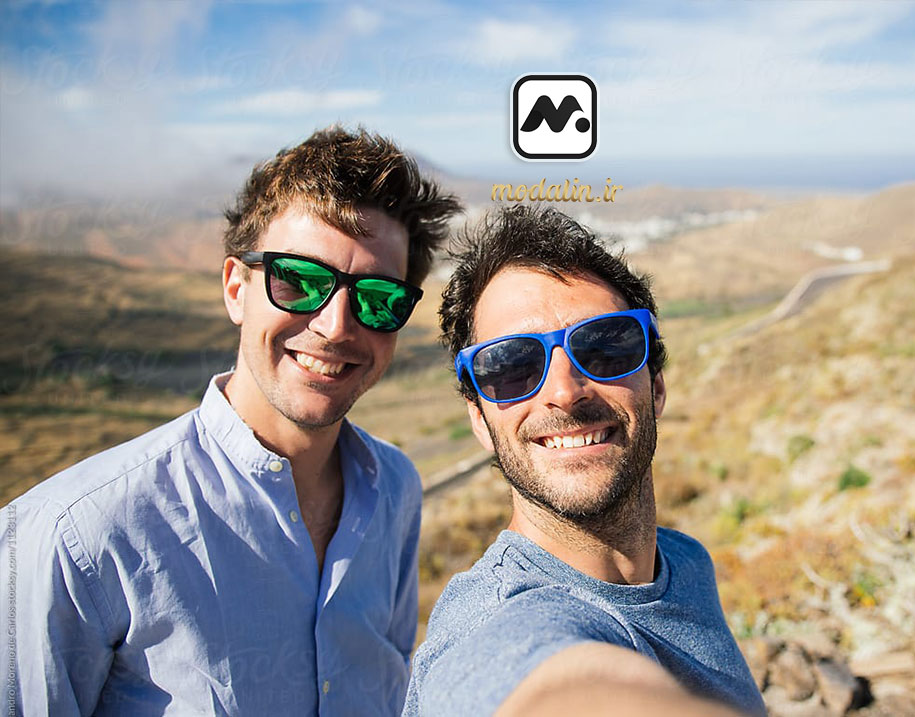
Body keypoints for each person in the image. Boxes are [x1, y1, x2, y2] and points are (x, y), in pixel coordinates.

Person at [1, 126, 461, 716]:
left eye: (379, 298)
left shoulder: (394, 488)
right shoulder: (74, 537)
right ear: (236, 289)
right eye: (299, 281)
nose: (336, 325)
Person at [404, 206, 765, 716]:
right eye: (511, 365)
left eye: (604, 348)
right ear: (479, 420)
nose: (564, 391)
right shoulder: (492, 622)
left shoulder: (684, 563)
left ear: (656, 387)